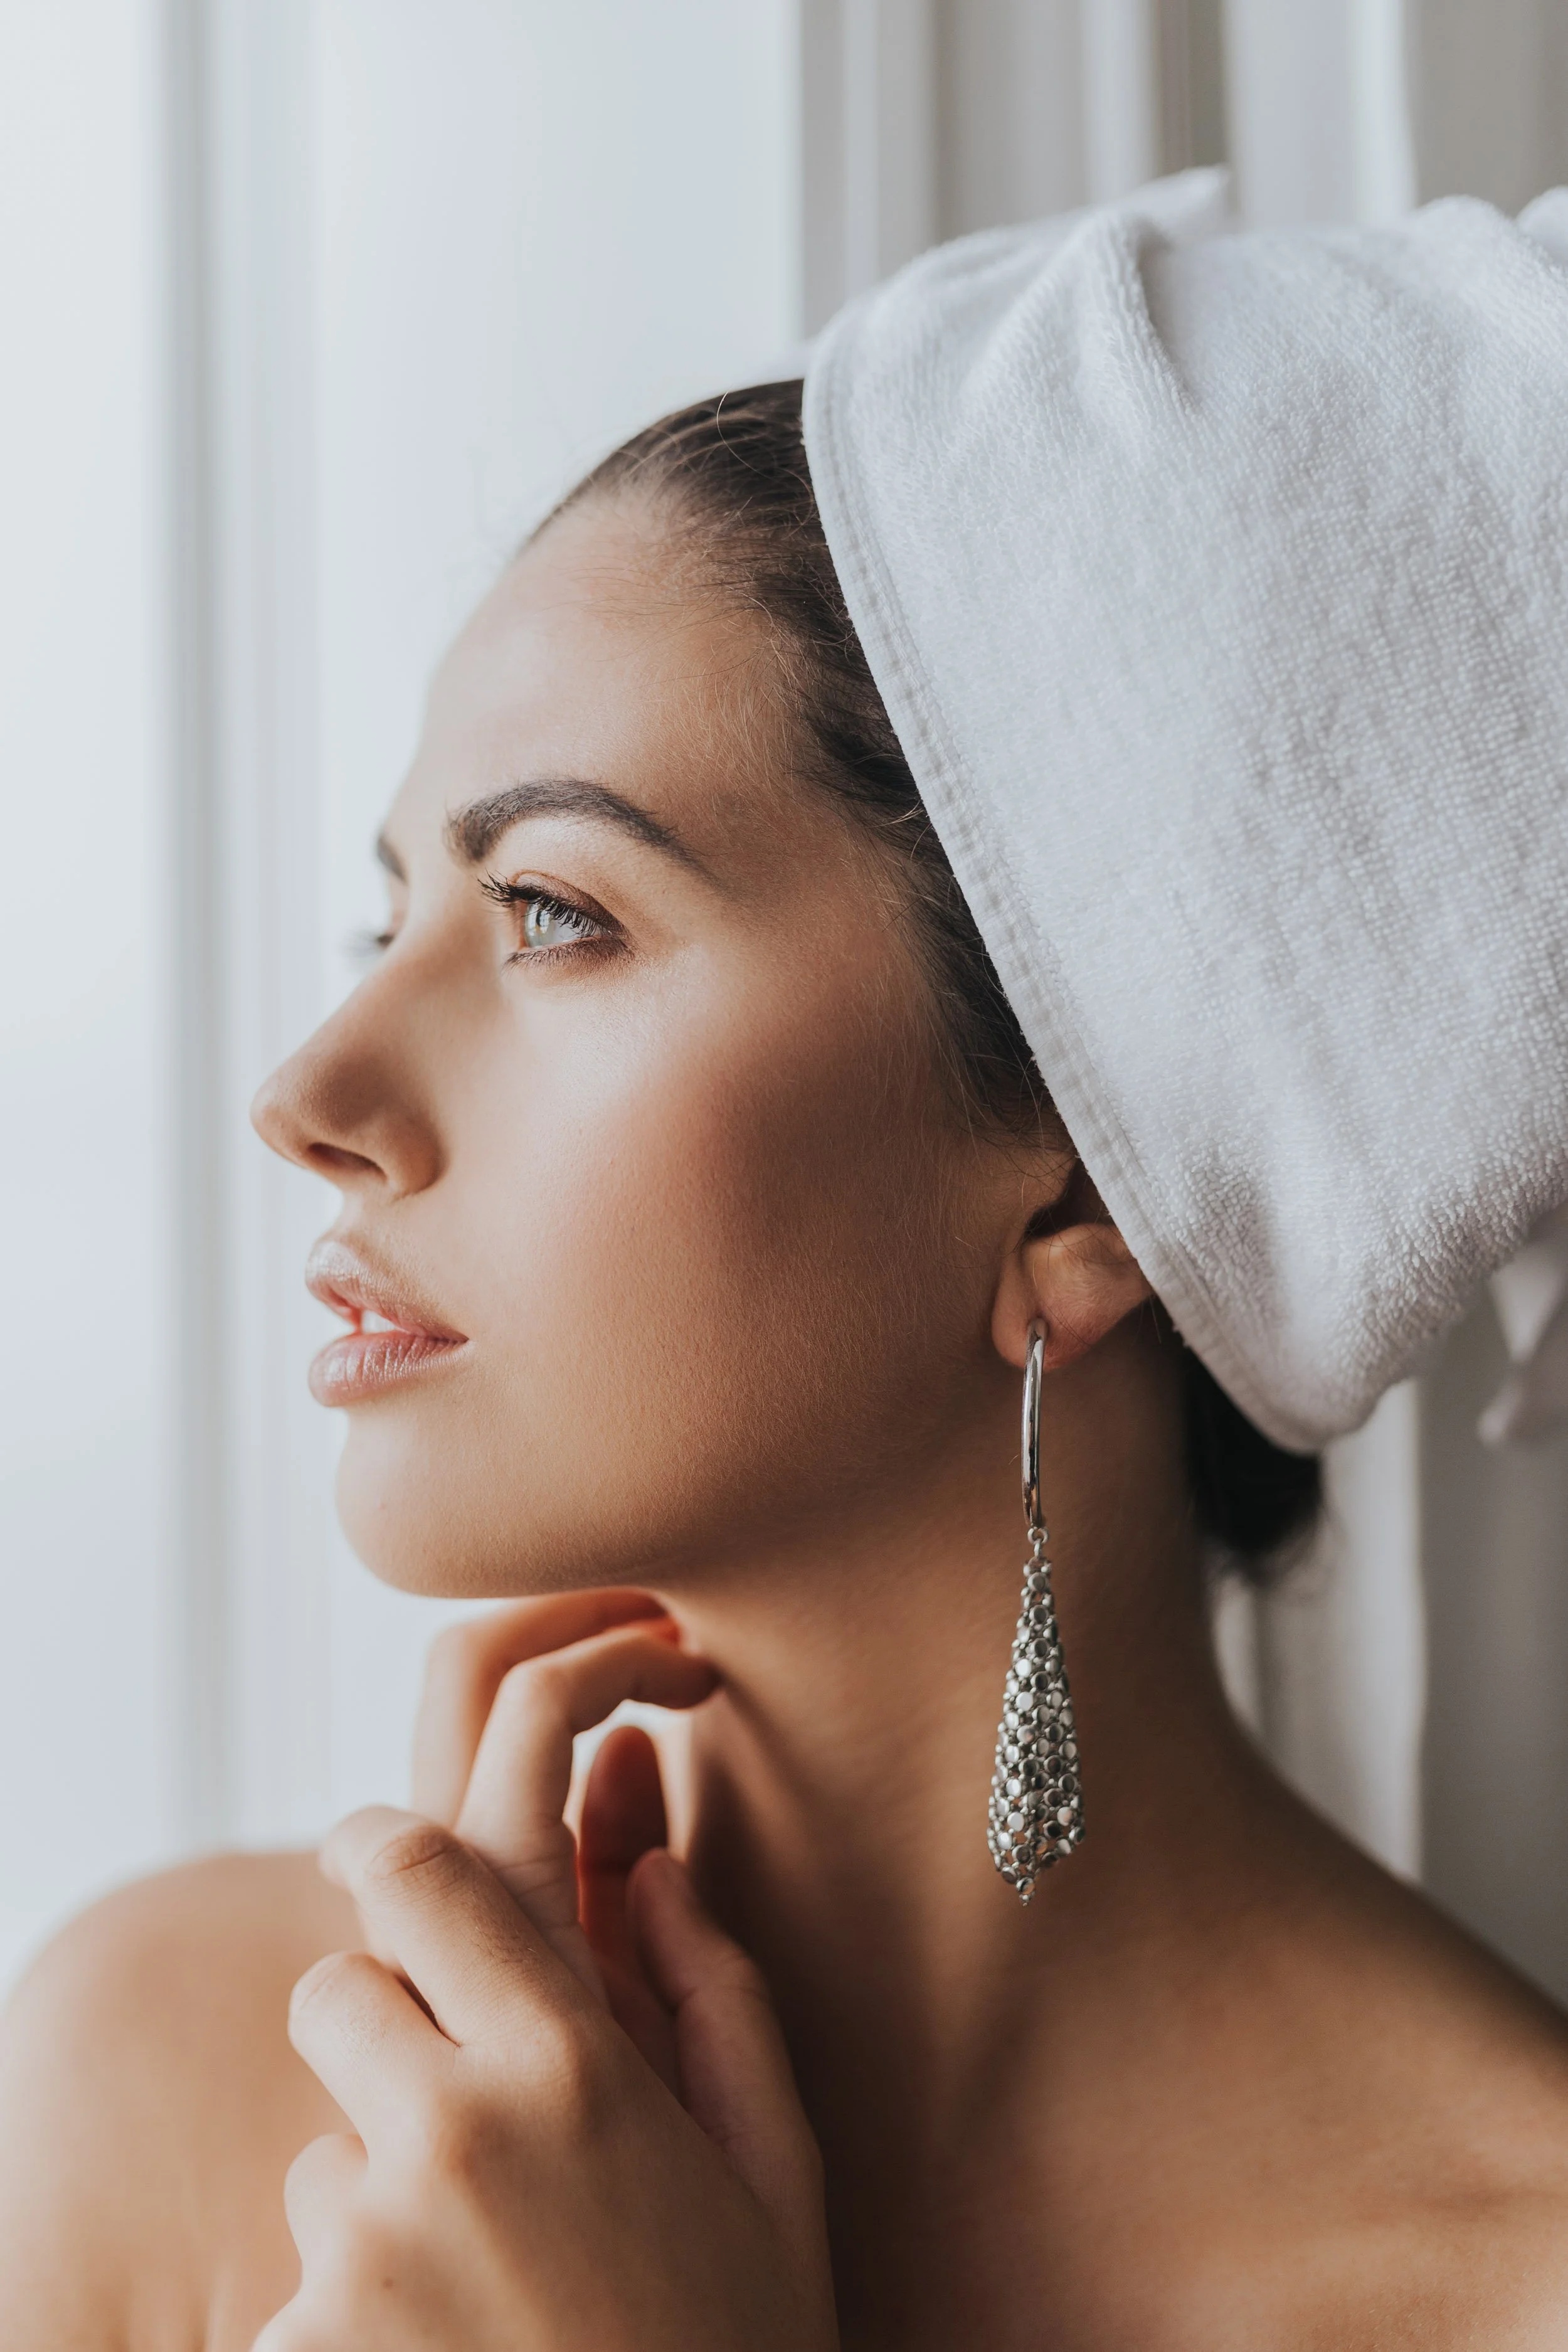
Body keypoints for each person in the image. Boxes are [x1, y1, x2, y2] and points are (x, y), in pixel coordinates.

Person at [6, 181, 1568, 2349]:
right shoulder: (166, 2077)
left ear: (1079, 1197)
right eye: (391, 923)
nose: (310, 1087)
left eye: (556, 913)